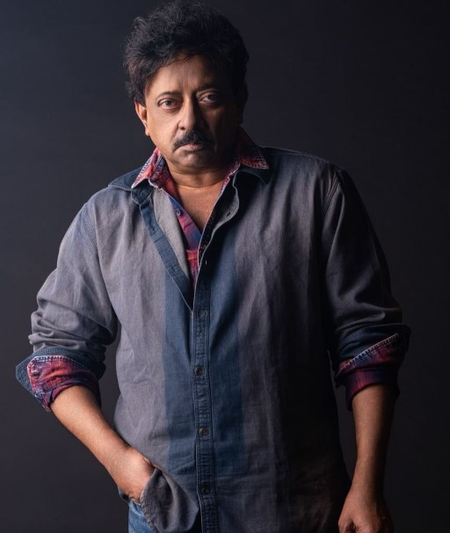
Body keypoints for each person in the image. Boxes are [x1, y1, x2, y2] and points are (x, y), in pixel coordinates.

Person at [16, 2, 410, 532]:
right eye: (169, 102)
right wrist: (123, 466)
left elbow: (369, 346)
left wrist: (367, 486)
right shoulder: (105, 219)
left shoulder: (316, 192)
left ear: (239, 99)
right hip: (165, 515)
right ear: (144, 115)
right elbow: (55, 358)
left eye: (208, 97)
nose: (189, 120)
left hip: (297, 510)